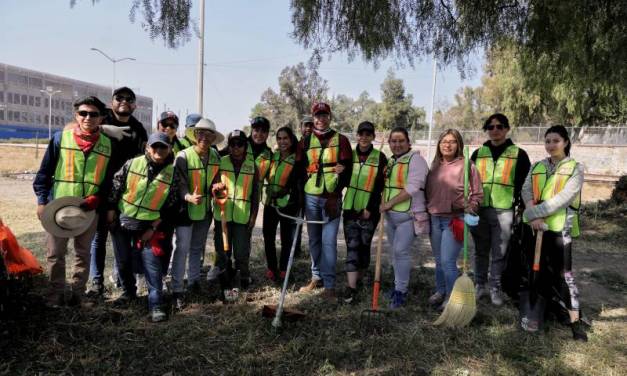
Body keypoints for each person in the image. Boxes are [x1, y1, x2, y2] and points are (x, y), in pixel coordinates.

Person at [33, 96, 113, 306]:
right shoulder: (60, 139)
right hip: (58, 207)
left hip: (89, 210)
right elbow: (43, 174)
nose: (88, 118)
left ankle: (78, 294)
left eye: (94, 114)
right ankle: (55, 295)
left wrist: (99, 198)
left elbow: (110, 180)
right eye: (83, 113)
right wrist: (42, 202)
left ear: (101, 118)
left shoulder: (108, 145)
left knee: (83, 254)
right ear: (76, 115)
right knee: (55, 254)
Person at [521, 125, 588, 341]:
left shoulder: (575, 168)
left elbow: (564, 198)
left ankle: (575, 322)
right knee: (538, 272)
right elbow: (526, 190)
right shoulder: (537, 166)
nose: (551, 145)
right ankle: (542, 312)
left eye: (556, 141)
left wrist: (532, 214)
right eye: (548, 141)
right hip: (537, 230)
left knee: (565, 276)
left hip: (561, 230)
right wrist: (534, 218)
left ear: (566, 142)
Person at [107, 132, 180, 321]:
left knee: (152, 266)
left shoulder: (172, 174)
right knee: (123, 262)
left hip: (149, 227)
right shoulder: (132, 164)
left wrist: (153, 228)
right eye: (155, 146)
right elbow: (116, 186)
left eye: (163, 147)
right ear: (148, 147)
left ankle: (156, 305)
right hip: (123, 221)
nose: (159, 150)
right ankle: (129, 292)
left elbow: (170, 207)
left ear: (169, 149)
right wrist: (111, 210)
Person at [87, 87, 148, 297]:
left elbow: (145, 158)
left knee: (123, 241)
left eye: (129, 99)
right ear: (111, 102)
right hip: (97, 189)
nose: (124, 101)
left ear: (134, 105)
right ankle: (96, 284)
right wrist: (103, 129)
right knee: (98, 239)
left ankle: (124, 284)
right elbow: (73, 129)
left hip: (124, 194)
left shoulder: (138, 128)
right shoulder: (99, 116)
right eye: (119, 98)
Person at [470, 113, 531, 306]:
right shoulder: (477, 154)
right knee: (481, 250)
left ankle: (495, 287)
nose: (495, 130)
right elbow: (468, 182)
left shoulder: (518, 154)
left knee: (500, 252)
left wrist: (521, 208)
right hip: (479, 210)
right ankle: (479, 285)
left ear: (506, 129)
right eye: (491, 127)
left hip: (504, 211)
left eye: (499, 126)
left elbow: (524, 184)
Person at [296, 102, 353, 300]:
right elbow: (299, 169)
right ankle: (316, 277)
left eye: (324, 115)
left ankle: (329, 285)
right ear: (313, 118)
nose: (321, 119)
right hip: (311, 197)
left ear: (330, 117)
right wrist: (301, 197)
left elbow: (348, 170)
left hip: (332, 198)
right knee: (314, 240)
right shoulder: (304, 141)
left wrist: (336, 193)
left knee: (329, 242)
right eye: (317, 115)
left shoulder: (342, 140)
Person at [426, 129, 483, 309]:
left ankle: (451, 297)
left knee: (448, 261)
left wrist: (471, 207)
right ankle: (441, 290)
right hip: (434, 218)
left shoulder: (467, 165)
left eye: (452, 141)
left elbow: (478, 193)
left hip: (455, 220)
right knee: (438, 259)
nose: (447, 145)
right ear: (439, 144)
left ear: (458, 144)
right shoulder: (435, 165)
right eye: (444, 141)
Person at [170, 118, 223, 309]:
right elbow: (179, 183)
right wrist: (187, 197)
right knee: (181, 248)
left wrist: (217, 186)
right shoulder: (183, 156)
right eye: (201, 133)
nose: (205, 138)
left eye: (209, 135)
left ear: (213, 138)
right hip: (185, 210)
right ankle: (177, 289)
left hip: (205, 210)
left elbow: (216, 179)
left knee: (196, 248)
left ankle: (193, 282)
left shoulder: (215, 156)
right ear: (195, 135)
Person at [379, 127, 428, 308]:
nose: (397, 144)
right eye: (393, 141)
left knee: (401, 252)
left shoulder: (417, 161)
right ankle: (397, 286)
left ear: (409, 142)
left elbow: (412, 188)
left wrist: (389, 203)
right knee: (395, 253)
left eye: (401, 141)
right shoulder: (392, 161)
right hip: (392, 218)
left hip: (409, 216)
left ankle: (401, 291)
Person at [341, 121, 388, 304]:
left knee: (364, 246)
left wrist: (370, 207)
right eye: (361, 134)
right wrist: (340, 171)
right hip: (351, 209)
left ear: (373, 137)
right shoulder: (348, 156)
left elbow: (379, 186)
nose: (364, 137)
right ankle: (351, 287)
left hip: (370, 211)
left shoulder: (380, 157)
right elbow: (343, 180)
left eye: (368, 134)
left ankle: (360, 277)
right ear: (357, 135)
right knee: (352, 246)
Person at [211, 130, 260, 301]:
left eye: (240, 144)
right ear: (229, 146)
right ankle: (225, 281)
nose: (236, 148)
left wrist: (253, 217)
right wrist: (215, 190)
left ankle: (244, 278)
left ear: (245, 147)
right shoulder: (220, 162)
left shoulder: (252, 165)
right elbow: (212, 186)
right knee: (223, 251)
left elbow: (256, 194)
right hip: (222, 217)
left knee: (241, 252)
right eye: (233, 144)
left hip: (242, 217)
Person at [262, 127, 299, 282]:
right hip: (271, 203)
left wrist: (287, 192)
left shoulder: (297, 159)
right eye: (279, 138)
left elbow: (297, 183)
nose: (282, 141)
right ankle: (272, 268)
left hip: (288, 205)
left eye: (285, 138)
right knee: (268, 236)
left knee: (286, 239)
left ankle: (284, 269)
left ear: (291, 140)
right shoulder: (273, 156)